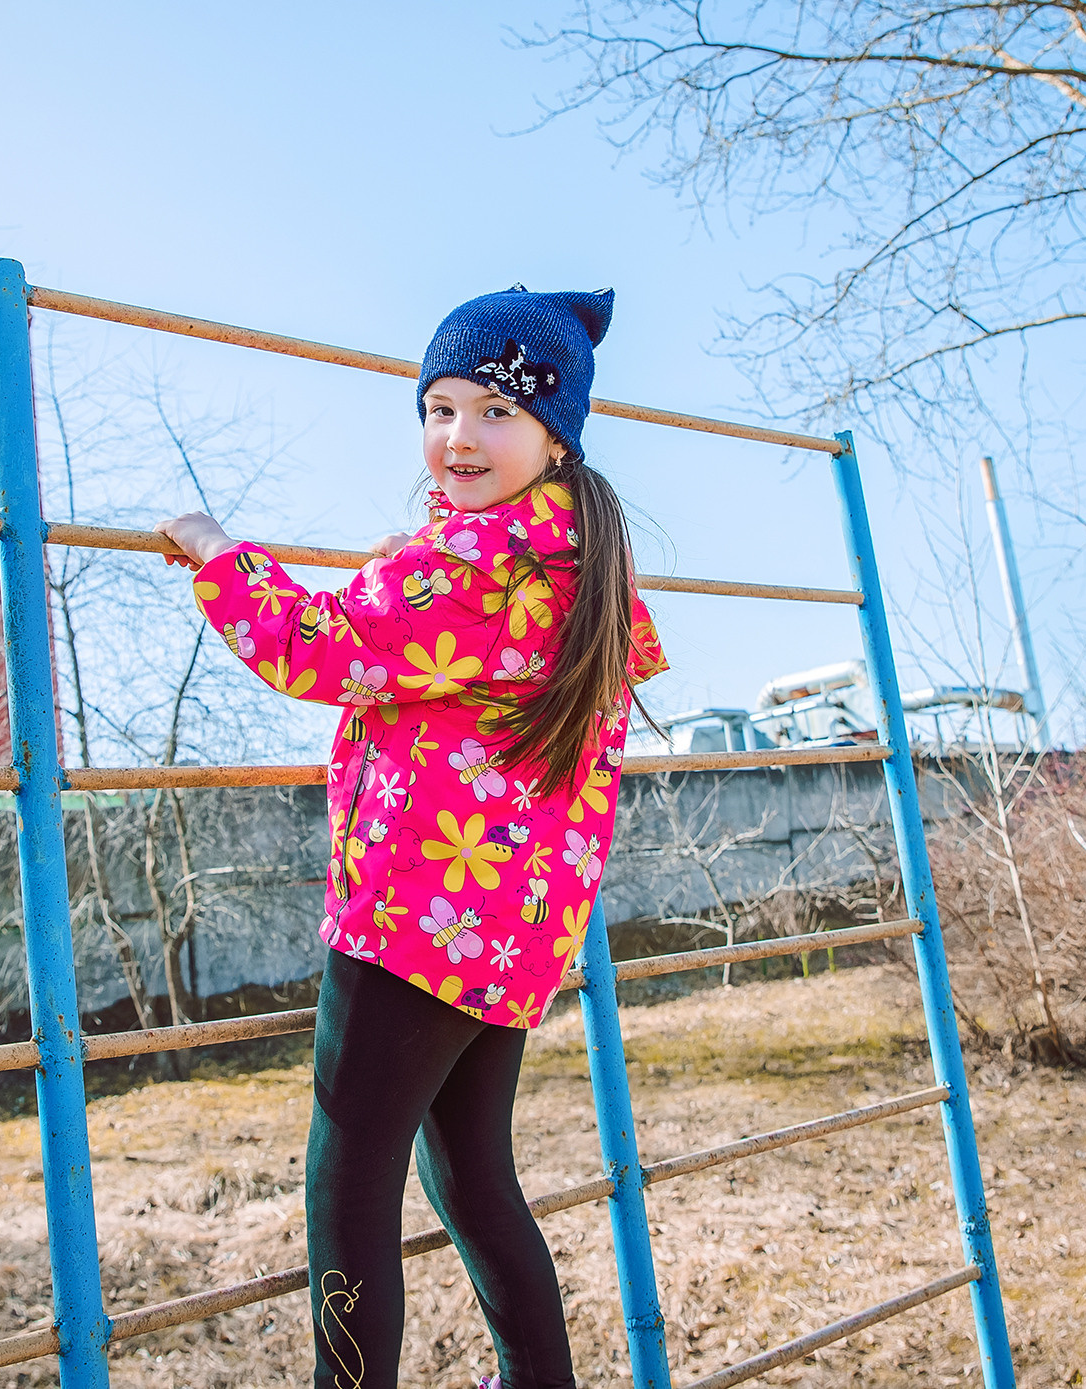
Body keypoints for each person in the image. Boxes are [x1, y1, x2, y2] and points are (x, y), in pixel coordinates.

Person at [155, 287, 667, 1389]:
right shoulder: (566, 565)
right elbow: (445, 648)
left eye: (494, 412)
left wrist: (214, 550)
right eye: (438, 408)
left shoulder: (475, 569)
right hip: (513, 929)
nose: (457, 438)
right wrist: (421, 549)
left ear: (553, 434)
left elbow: (315, 649)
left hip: (409, 918)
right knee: (471, 1174)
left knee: (348, 1178)